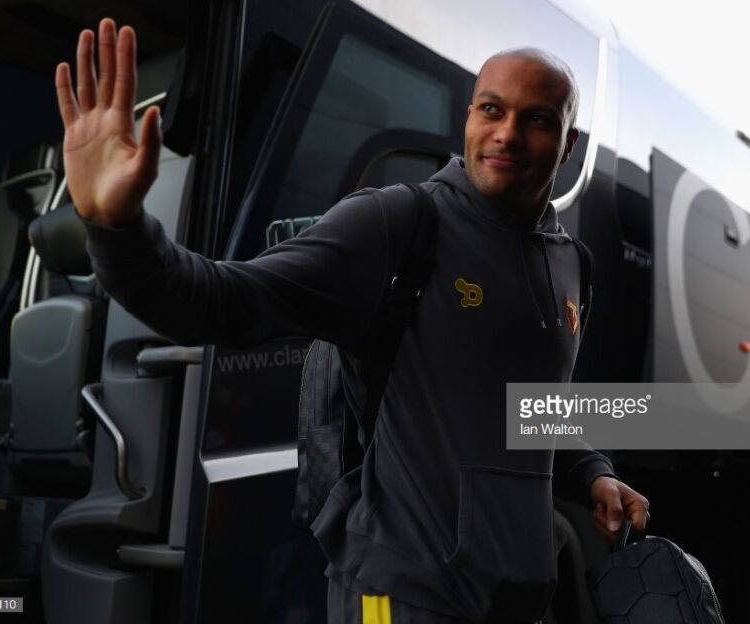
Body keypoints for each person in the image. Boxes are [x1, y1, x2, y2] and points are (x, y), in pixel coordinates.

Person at [55, 18, 650, 624]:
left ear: (568, 143)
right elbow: (221, 301)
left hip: (516, 599)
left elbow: (528, 409)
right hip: (401, 592)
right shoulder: (398, 223)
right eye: (491, 110)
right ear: (468, 117)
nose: (507, 134)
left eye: (537, 119)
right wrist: (118, 229)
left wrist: (592, 473)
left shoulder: (572, 265)